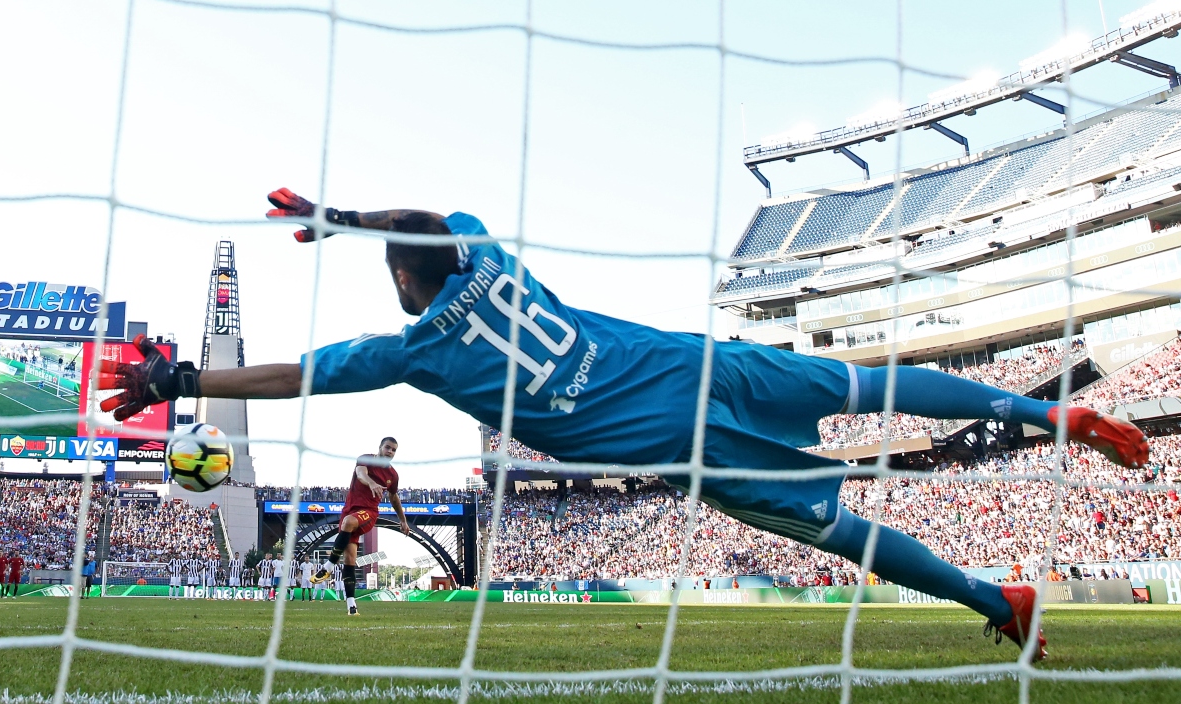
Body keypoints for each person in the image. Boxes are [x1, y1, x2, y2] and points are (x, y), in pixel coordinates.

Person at [97, 193, 1154, 659]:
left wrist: (183, 372)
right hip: (705, 364)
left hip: (682, 446)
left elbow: (300, 376)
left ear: (409, 286)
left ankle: (994, 601)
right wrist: (346, 219)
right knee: (866, 381)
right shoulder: (487, 252)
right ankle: (1041, 408)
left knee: (843, 533)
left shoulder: (412, 349)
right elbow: (435, 222)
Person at [322, 437, 410, 616]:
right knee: (350, 559)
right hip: (349, 510)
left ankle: (329, 566)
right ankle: (351, 606)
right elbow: (361, 473)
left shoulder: (393, 475)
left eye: (394, 450)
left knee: (349, 523)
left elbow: (393, 497)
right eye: (388, 448)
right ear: (379, 448)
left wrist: (403, 520)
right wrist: (371, 482)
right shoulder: (365, 459)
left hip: (368, 512)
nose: (390, 452)